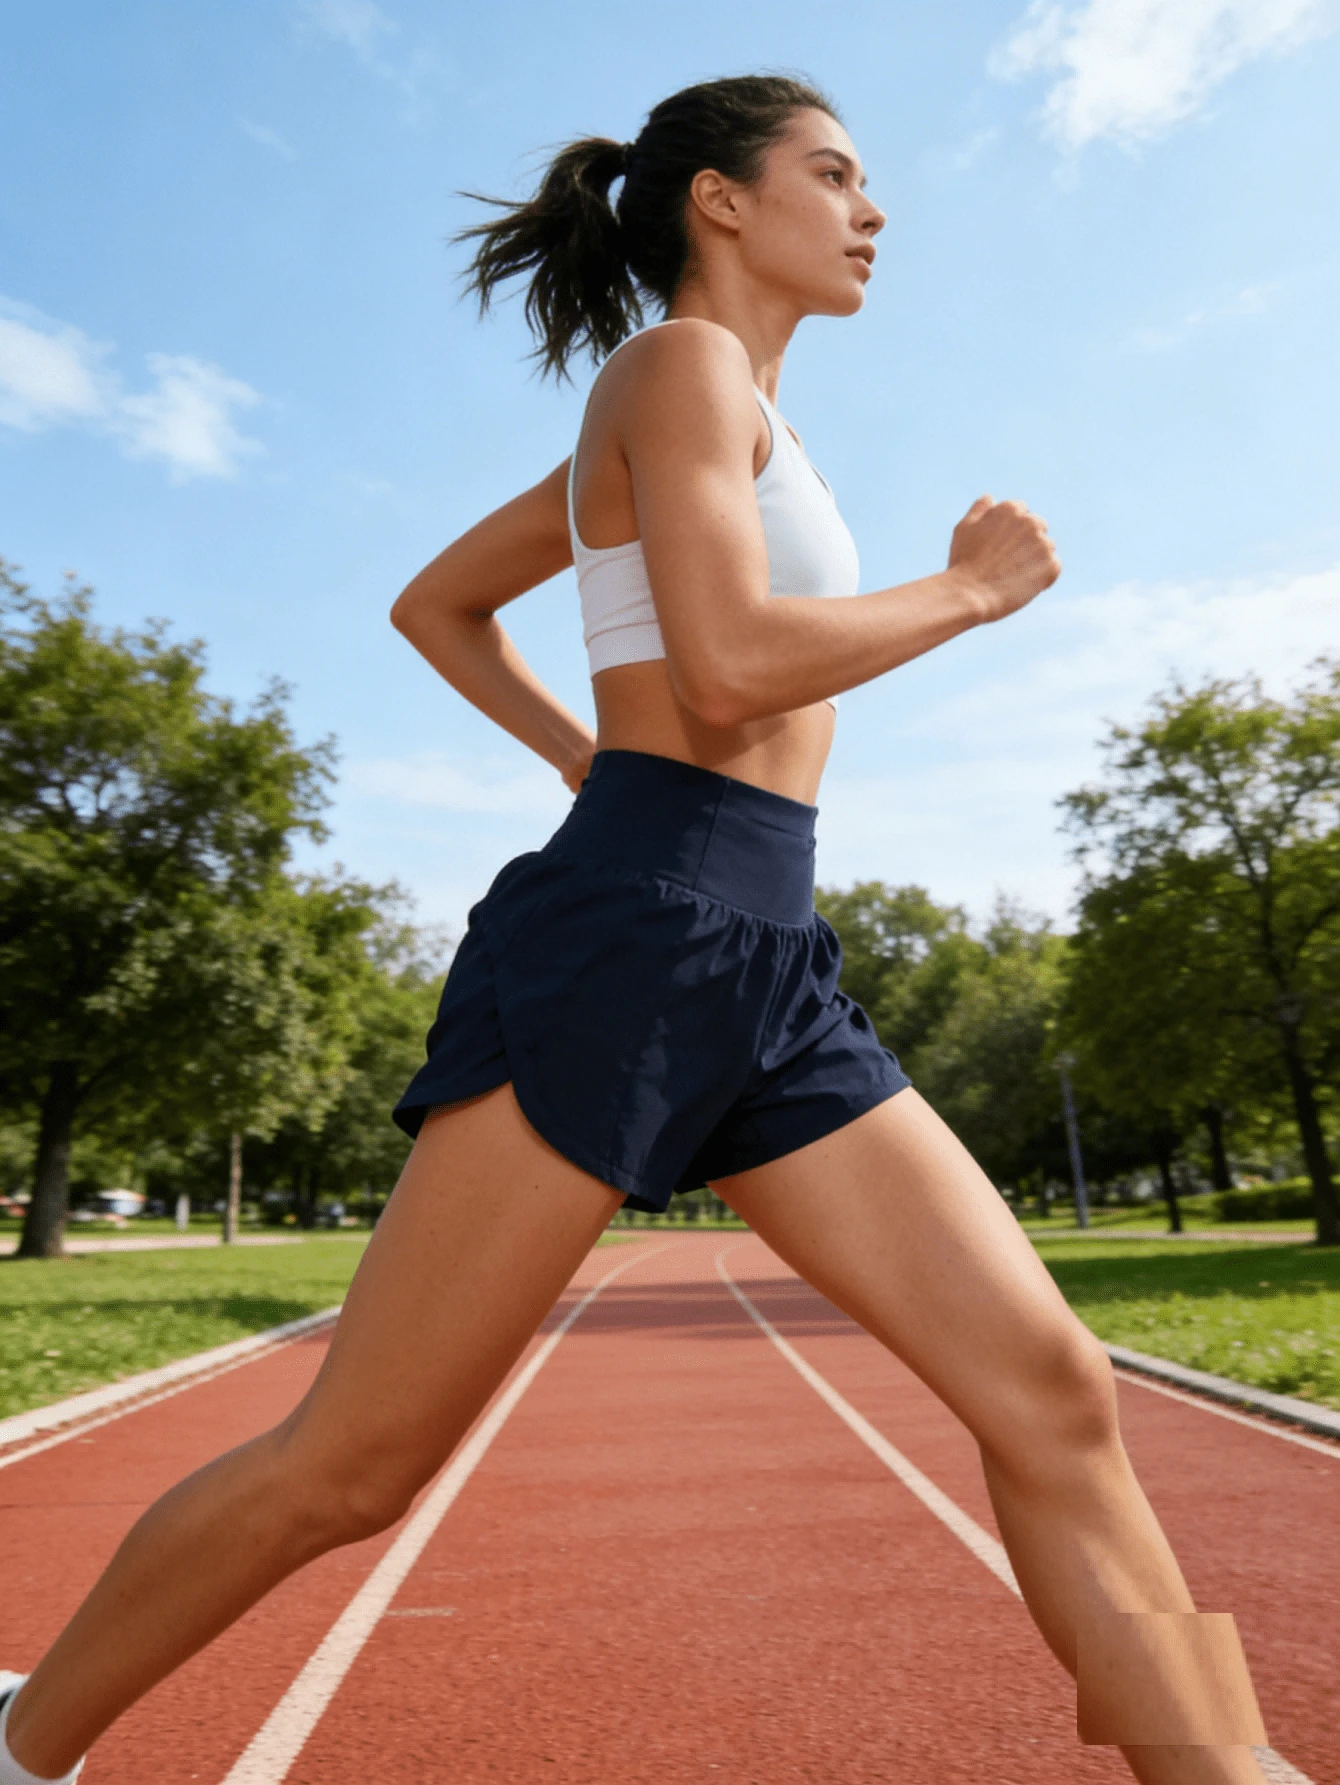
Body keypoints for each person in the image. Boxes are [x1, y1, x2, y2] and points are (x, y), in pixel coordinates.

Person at [2, 74, 1268, 1785]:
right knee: (355, 1465)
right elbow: (731, 660)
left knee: (1053, 1387)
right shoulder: (675, 369)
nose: (872, 208)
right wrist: (966, 594)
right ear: (722, 204)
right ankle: (29, 1744)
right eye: (834, 173)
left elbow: (440, 603)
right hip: (635, 934)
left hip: (772, 950)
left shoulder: (736, 414)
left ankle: (1224, 1774)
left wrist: (589, 739)